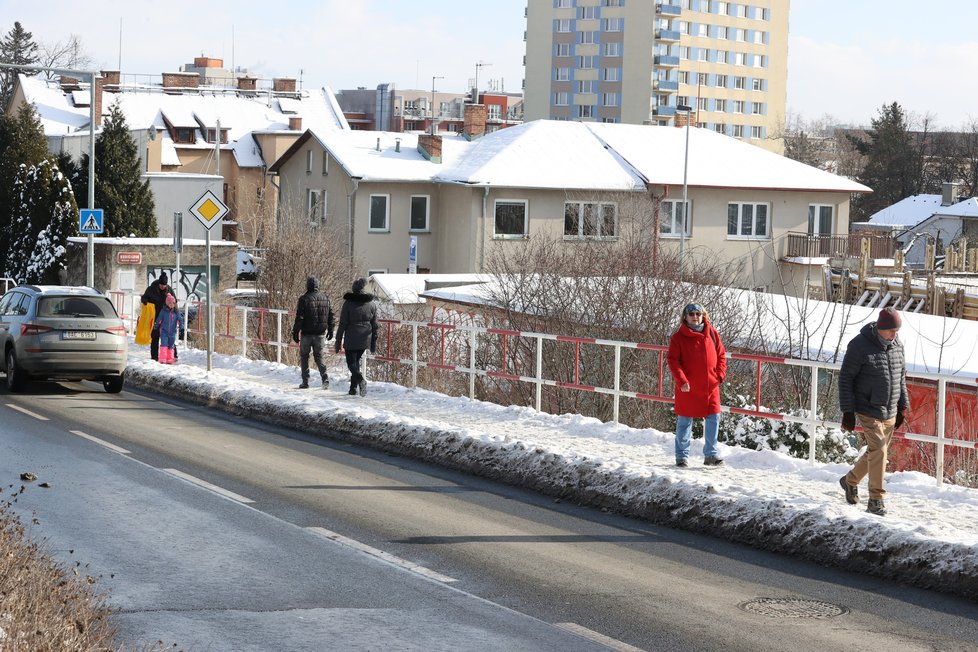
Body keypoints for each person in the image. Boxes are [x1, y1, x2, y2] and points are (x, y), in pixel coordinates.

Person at [838, 306, 909, 517]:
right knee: (878, 448)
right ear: (880, 328)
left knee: (876, 452)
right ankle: (876, 499)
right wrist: (848, 412)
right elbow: (845, 378)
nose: (894, 335)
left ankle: (849, 481)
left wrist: (902, 406)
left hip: (890, 409)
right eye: (891, 331)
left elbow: (901, 377)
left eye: (897, 330)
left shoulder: (898, 345)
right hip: (867, 407)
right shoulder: (859, 345)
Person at [667, 303, 727, 467]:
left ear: (703, 315)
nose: (695, 316)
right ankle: (681, 456)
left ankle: (711, 455)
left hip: (710, 386)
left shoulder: (713, 334)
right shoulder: (678, 338)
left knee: (714, 418)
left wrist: (720, 375)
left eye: (698, 313)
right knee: (685, 421)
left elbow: (721, 356)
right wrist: (682, 380)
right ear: (685, 317)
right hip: (688, 387)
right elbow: (673, 361)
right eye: (691, 314)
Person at [334, 277, 378, 396]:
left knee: (351, 363)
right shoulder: (371, 304)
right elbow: (375, 325)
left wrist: (338, 341)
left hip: (352, 338)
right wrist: (373, 342)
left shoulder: (348, 304)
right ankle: (353, 389)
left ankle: (360, 380)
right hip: (365, 338)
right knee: (356, 362)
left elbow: (342, 324)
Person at [291, 276, 334, 389]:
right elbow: (331, 316)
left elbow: (299, 317)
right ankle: (325, 379)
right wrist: (331, 330)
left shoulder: (304, 299)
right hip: (320, 333)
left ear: (307, 285)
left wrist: (295, 332)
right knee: (319, 356)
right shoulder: (326, 298)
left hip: (306, 333)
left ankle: (305, 382)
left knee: (304, 356)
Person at [141, 273, 177, 362]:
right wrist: (145, 301)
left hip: (166, 317)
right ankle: (154, 357)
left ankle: (173, 355)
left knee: (169, 337)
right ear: (158, 283)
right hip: (154, 317)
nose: (162, 287)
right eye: (161, 285)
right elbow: (144, 297)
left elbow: (174, 302)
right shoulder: (151, 289)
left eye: (164, 285)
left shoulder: (169, 290)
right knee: (155, 336)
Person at [153, 294, 184, 365]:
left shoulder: (176, 313)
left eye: (172, 303)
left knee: (171, 345)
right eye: (169, 303)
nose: (171, 305)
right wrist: (155, 327)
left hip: (172, 332)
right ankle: (162, 359)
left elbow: (180, 320)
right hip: (164, 331)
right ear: (167, 304)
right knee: (164, 344)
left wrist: (181, 328)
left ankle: (170, 359)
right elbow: (159, 320)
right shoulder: (163, 311)